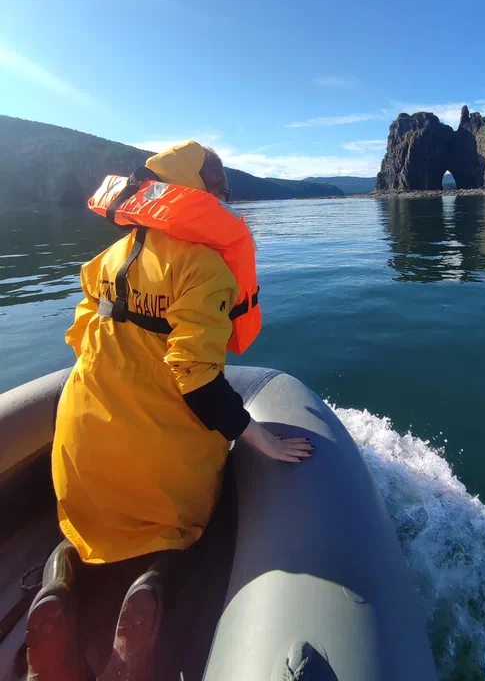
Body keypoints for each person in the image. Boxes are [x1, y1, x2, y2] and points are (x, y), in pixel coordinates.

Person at [26, 141, 313, 681]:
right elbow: (199, 382)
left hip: (81, 448)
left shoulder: (104, 261)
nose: (226, 206)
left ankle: (57, 588)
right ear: (197, 194)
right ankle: (152, 587)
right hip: (157, 458)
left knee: (82, 531)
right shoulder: (203, 268)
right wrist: (261, 438)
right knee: (184, 531)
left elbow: (85, 345)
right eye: (221, 194)